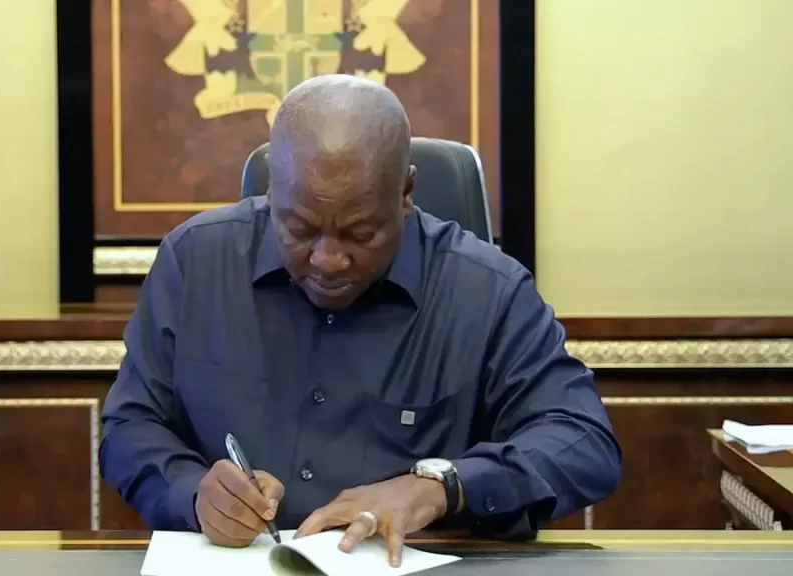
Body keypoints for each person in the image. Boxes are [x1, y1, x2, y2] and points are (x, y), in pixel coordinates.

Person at [100, 74, 621, 566]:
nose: (328, 260)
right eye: (299, 228)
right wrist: (193, 493)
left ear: (406, 192)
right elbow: (130, 427)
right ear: (273, 190)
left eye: (361, 233)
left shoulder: (488, 290)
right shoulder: (196, 262)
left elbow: (582, 441)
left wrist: (441, 486)